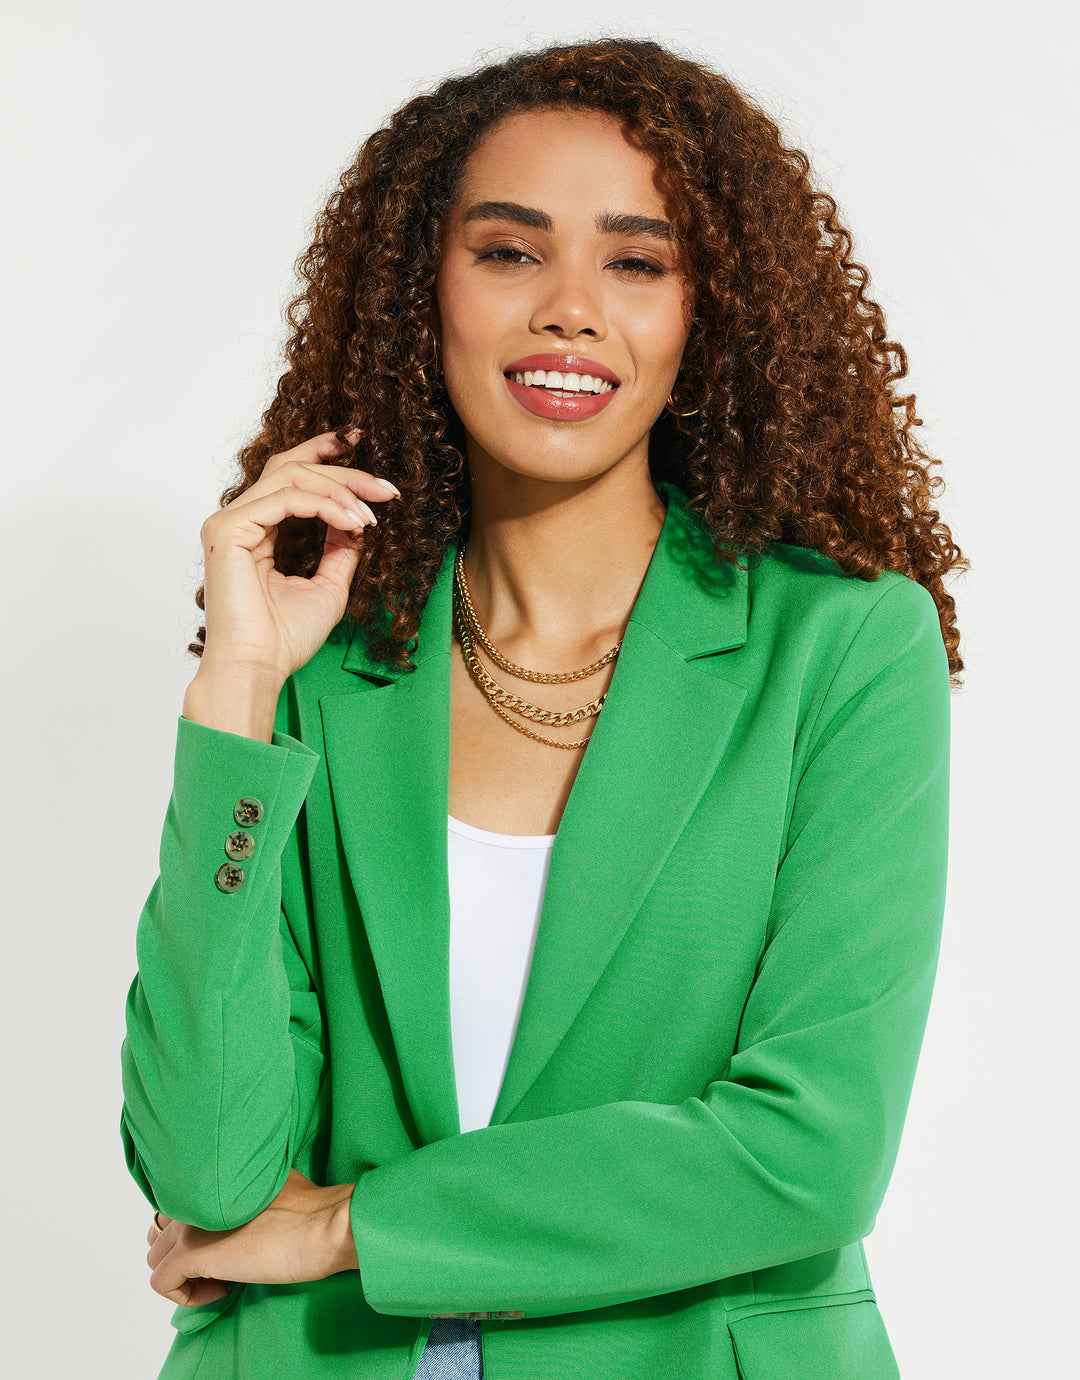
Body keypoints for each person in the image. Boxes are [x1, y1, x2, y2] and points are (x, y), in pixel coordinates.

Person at [121, 35, 967, 1380]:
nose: (570, 310)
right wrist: (238, 695)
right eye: (511, 251)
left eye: (637, 263)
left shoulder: (842, 647)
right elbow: (208, 1173)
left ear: (709, 314)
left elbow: (810, 1153)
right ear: (421, 291)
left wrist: (352, 1225)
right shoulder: (326, 667)